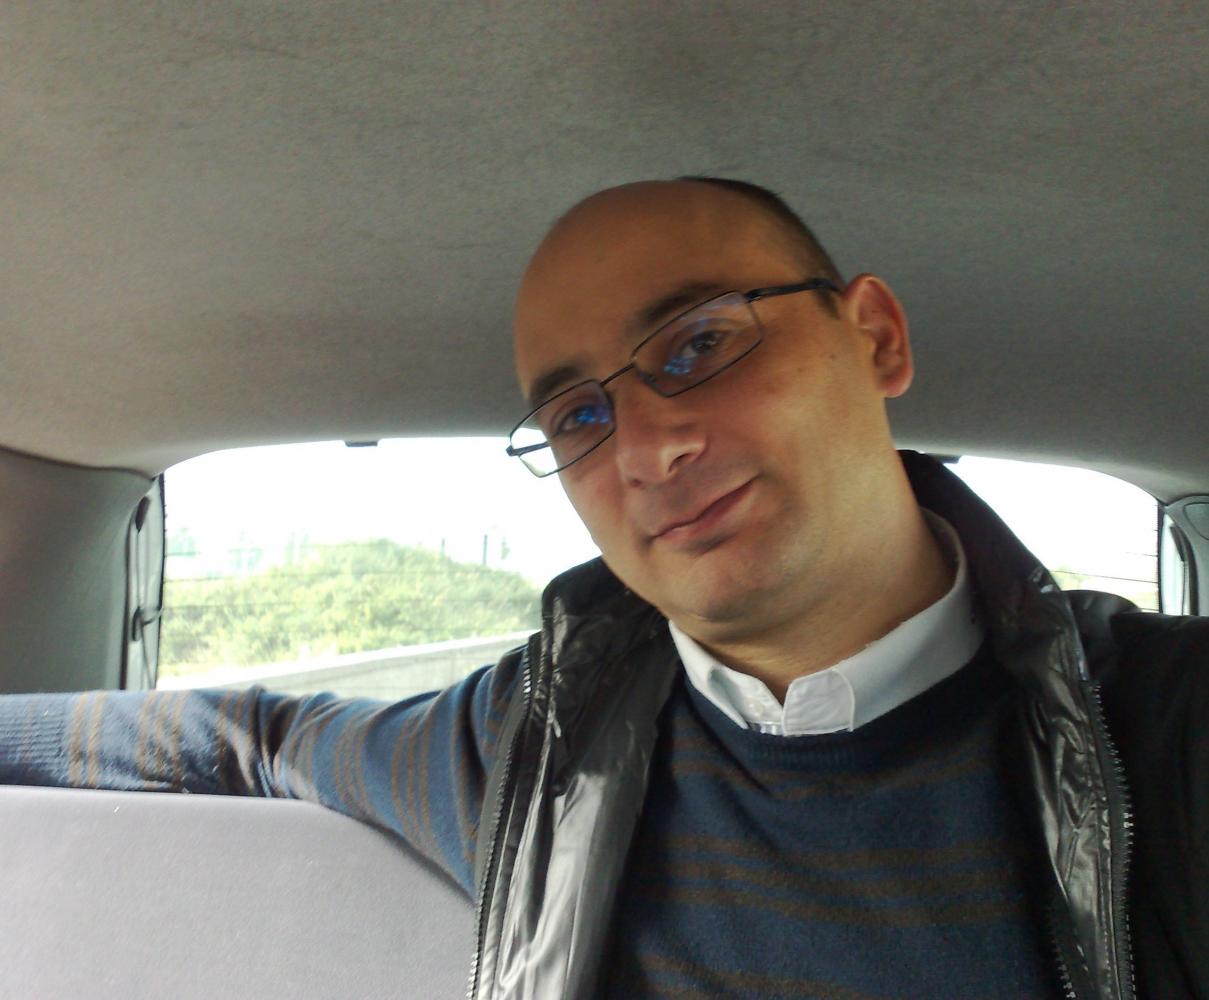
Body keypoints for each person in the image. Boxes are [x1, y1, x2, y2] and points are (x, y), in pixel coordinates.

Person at [1, 178, 1206, 1000]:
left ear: (876, 337)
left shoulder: (1167, 730)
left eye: (699, 344)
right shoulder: (531, 747)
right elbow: (260, 734)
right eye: (580, 415)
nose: (647, 446)